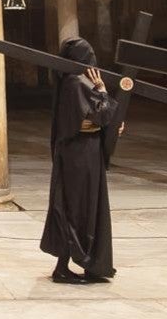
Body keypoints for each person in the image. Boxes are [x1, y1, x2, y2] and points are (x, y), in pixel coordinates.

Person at [40, 37, 122, 284]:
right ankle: (64, 268)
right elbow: (98, 115)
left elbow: (95, 119)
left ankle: (88, 264)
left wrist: (107, 124)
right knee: (76, 207)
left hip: (84, 152)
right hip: (80, 155)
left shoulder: (71, 82)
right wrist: (103, 92)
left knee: (83, 205)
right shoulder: (75, 83)